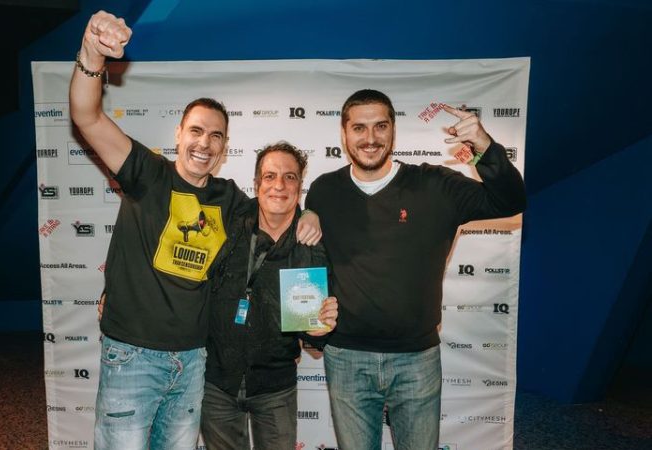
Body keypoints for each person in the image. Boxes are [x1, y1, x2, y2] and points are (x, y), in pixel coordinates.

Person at [70, 11, 320, 450]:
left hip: (193, 363)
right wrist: (92, 54)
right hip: (133, 356)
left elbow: (277, 204)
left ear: (225, 146)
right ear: (179, 133)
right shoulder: (147, 172)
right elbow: (87, 117)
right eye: (196, 131)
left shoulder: (230, 200)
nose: (204, 143)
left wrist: (310, 212)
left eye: (216, 136)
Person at [305, 89, 527, 449]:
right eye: (359, 128)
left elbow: (511, 200)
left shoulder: (435, 185)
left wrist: (484, 145)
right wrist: (310, 330)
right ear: (344, 133)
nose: (370, 138)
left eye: (380, 126)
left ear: (393, 130)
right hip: (346, 359)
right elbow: (315, 264)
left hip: (416, 360)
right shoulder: (323, 191)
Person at [200, 142, 338, 450]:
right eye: (270, 176)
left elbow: (313, 328)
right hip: (217, 384)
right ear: (257, 184)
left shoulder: (312, 243)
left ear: (299, 187)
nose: (279, 185)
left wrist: (319, 331)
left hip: (275, 388)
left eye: (289, 177)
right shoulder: (229, 222)